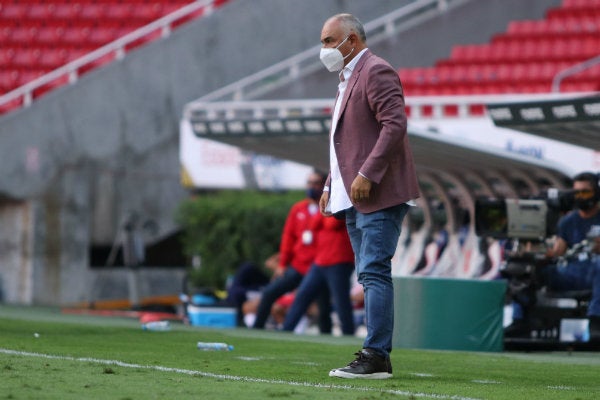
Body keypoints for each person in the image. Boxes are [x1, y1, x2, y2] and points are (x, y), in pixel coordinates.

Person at [318, 14, 420, 379]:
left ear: (352, 40)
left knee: (374, 272)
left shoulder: (375, 70)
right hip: (352, 195)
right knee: (368, 275)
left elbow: (395, 125)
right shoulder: (346, 79)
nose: (324, 49)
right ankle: (376, 353)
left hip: (378, 192)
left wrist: (366, 174)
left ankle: (376, 356)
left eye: (330, 41)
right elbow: (346, 142)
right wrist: (331, 184)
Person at [506, 171, 600, 342]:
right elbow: (558, 251)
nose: (580, 197)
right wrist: (533, 252)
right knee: (524, 267)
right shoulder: (568, 221)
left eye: (585, 192)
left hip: (595, 271)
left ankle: (595, 321)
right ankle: (520, 320)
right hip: (570, 272)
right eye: (576, 192)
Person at [252, 170, 330, 330]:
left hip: (318, 268)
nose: (311, 187)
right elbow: (288, 237)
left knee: (324, 309)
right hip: (298, 266)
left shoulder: (330, 209)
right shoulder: (298, 209)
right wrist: (282, 264)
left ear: (323, 186)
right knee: (269, 293)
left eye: (316, 183)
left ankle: (327, 342)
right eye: (309, 183)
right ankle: (256, 329)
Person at [282, 211, 356, 335]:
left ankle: (348, 335)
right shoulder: (327, 207)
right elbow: (312, 224)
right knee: (302, 295)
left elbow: (331, 223)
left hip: (339, 261)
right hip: (320, 261)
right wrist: (323, 215)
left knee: (341, 303)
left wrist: (322, 216)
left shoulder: (342, 204)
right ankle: (285, 331)